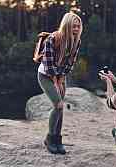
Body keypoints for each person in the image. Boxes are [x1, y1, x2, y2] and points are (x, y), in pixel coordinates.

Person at [37, 12, 82, 154]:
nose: (76, 29)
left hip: (61, 75)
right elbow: (48, 65)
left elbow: (71, 63)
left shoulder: (76, 41)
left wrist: (62, 77)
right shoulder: (52, 39)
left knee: (60, 109)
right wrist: (56, 80)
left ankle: (57, 140)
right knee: (58, 105)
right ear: (67, 25)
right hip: (46, 75)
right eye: (73, 26)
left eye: (78, 26)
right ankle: (49, 139)